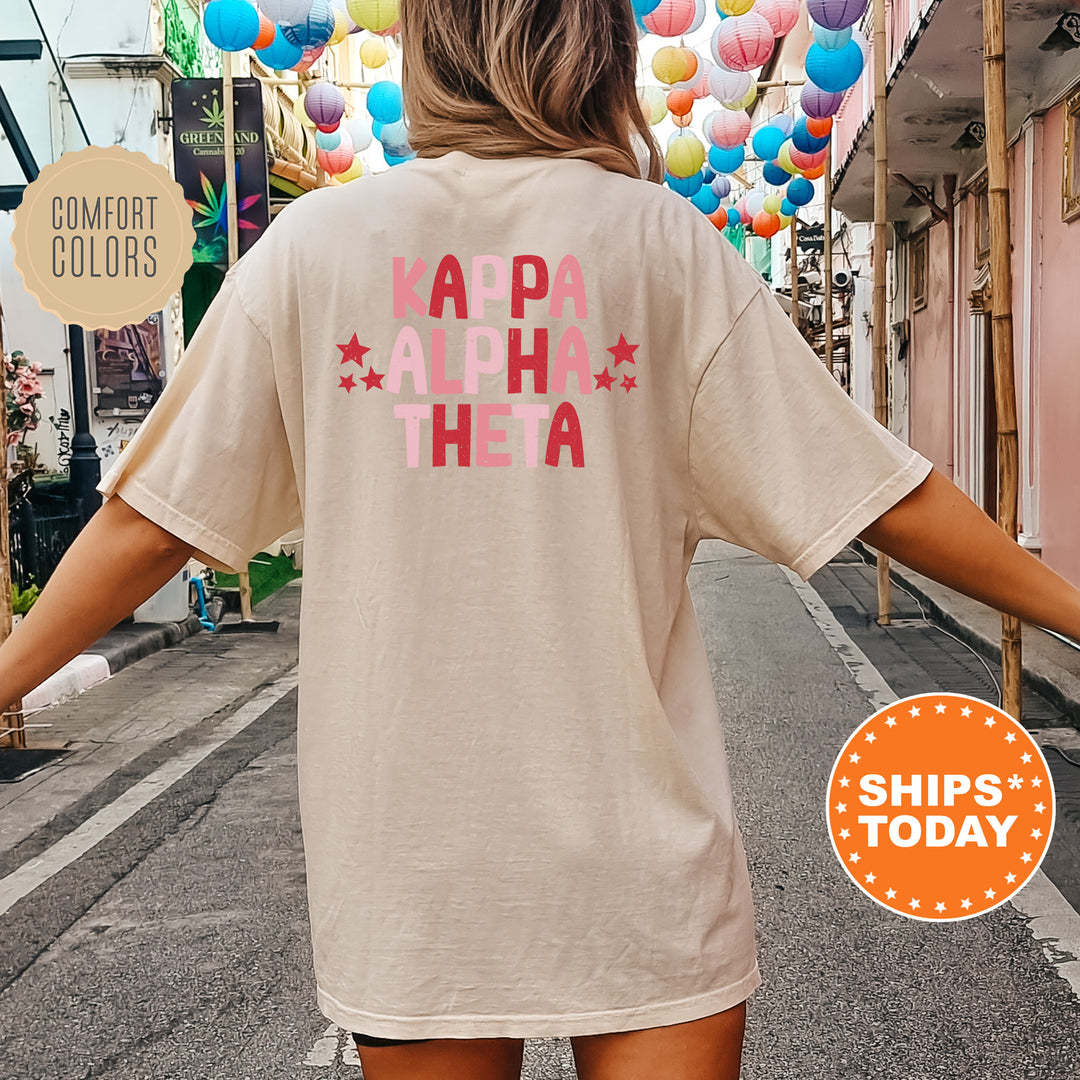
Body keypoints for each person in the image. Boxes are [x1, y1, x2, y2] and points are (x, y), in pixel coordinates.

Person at [3, 2, 1078, 1078]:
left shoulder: (311, 250)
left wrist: (7, 673)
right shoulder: (662, 246)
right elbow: (879, 495)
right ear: (597, 47)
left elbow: (149, 526)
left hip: (411, 863)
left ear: (431, 46)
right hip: (640, 854)